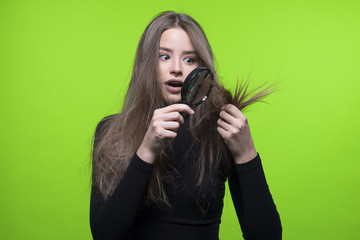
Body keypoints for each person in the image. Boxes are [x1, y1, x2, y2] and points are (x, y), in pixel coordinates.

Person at [90, 11, 282, 240]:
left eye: (189, 59)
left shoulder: (220, 131)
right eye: (164, 57)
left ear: (202, 68)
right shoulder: (112, 130)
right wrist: (147, 150)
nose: (177, 69)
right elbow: (105, 235)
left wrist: (247, 154)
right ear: (146, 63)